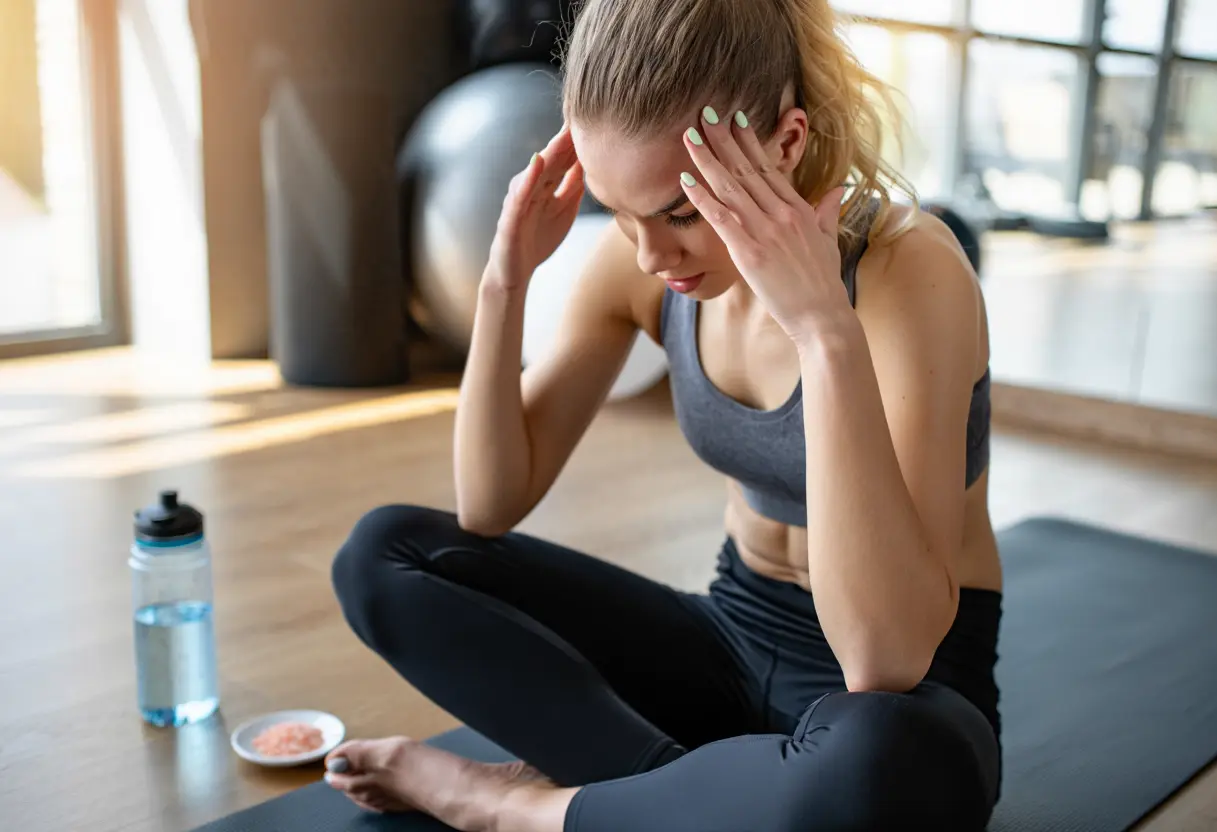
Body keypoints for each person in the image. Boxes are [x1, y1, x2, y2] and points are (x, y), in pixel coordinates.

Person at [325, 0, 1002, 829]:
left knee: (876, 765)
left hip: (902, 701)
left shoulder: (911, 270)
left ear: (784, 145)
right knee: (385, 557)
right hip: (730, 641)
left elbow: (884, 658)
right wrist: (504, 281)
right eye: (620, 211)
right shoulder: (646, 264)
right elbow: (489, 504)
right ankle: (681, 804)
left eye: (681, 213)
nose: (650, 254)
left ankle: (521, 811)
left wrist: (825, 330)